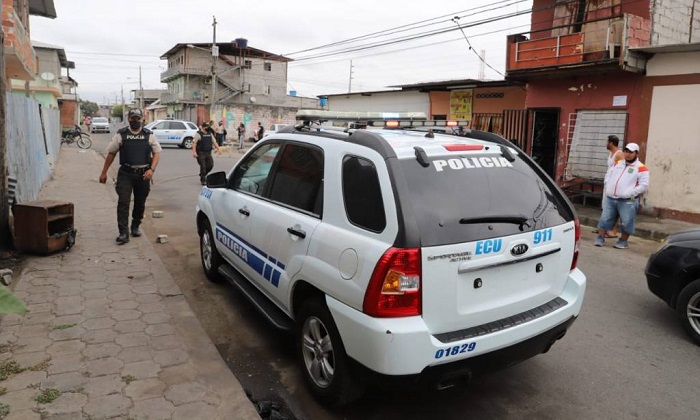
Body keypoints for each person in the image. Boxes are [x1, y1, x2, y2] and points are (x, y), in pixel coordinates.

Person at [99, 109, 161, 245]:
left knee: (140, 202)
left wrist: (152, 170)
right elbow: (111, 153)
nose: (135, 120)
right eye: (133, 118)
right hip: (126, 173)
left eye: (138, 118)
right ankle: (123, 232)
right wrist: (104, 172)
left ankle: (135, 226)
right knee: (123, 202)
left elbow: (156, 153)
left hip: (144, 175)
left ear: (142, 119)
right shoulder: (121, 135)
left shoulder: (148, 135)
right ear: (128, 119)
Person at [594, 142, 649, 249]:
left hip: (628, 200)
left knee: (627, 221)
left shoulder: (641, 168)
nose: (627, 154)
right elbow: (609, 175)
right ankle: (600, 238)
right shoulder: (617, 163)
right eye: (626, 151)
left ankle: (623, 241)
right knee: (605, 219)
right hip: (611, 198)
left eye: (631, 152)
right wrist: (608, 185)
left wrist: (630, 193)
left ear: (636, 153)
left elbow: (644, 185)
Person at [601, 135, 624, 238]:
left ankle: (613, 230)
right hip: (607, 181)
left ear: (611, 143)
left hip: (614, 184)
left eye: (607, 142)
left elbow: (621, 170)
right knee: (605, 206)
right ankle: (604, 228)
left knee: (614, 207)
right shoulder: (610, 153)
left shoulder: (619, 155)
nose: (605, 143)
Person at [192, 121, 221, 185]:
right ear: (203, 127)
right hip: (201, 153)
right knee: (203, 166)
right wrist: (194, 152)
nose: (208, 128)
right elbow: (194, 143)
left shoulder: (210, 133)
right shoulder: (198, 134)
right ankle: (203, 180)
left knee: (210, 165)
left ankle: (203, 174)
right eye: (206, 127)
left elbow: (214, 142)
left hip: (208, 152)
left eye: (208, 127)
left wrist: (218, 148)